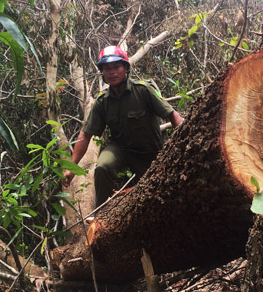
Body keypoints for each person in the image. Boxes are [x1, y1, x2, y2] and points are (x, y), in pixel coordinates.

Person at [62, 45, 184, 206]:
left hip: (149, 154)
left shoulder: (143, 90)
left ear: (126, 68)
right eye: (107, 68)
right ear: (102, 72)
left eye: (116, 67)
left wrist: (184, 143)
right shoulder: (102, 101)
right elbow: (85, 135)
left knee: (156, 199)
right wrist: (71, 168)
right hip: (121, 149)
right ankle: (101, 212)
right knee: (102, 167)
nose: (111, 72)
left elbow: (173, 115)